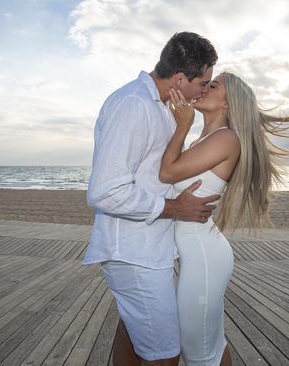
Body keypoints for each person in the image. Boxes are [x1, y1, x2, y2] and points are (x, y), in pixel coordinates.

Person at [84, 32, 219, 366]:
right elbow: (105, 191)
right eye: (203, 82)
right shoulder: (134, 105)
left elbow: (159, 173)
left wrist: (182, 127)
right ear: (179, 78)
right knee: (165, 355)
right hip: (132, 253)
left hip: (147, 250)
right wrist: (177, 208)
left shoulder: (161, 108)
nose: (205, 90)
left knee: (133, 333)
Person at [160, 72, 289, 365]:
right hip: (200, 251)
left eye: (213, 85)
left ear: (228, 105)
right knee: (212, 346)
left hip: (203, 255)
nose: (204, 87)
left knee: (198, 353)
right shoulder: (205, 138)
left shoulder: (226, 138)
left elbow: (167, 173)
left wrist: (182, 125)